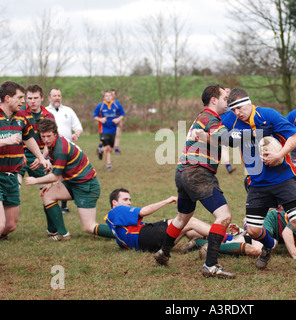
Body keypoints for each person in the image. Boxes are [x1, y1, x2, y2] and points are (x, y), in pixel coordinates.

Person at [222, 87, 296, 277]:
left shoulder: (268, 115)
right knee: (254, 231)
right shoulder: (232, 120)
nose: (237, 113)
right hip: (257, 183)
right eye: (233, 109)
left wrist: (279, 154)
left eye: (240, 108)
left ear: (249, 102)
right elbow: (213, 124)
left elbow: (295, 136)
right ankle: (269, 244)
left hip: (283, 179)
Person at [154, 84, 236, 279]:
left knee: (184, 217)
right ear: (214, 100)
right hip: (198, 174)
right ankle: (211, 266)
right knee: (224, 217)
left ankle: (163, 252)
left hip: (183, 172)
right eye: (225, 98)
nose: (228, 103)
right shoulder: (210, 118)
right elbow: (227, 140)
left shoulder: (201, 118)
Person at [24, 118, 114, 241]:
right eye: (43, 136)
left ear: (55, 133)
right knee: (47, 195)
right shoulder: (53, 143)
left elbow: (55, 176)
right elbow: (58, 170)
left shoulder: (60, 148)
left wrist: (36, 180)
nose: (45, 139)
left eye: (48, 136)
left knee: (89, 227)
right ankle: (62, 234)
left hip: (86, 186)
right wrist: (50, 185)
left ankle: (126, 234)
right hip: (73, 182)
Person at [106, 188, 237, 252]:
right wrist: (166, 200)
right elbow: (144, 211)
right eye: (125, 200)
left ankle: (203, 241)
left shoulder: (112, 222)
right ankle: (229, 239)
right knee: (188, 221)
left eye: (129, 199)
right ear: (114, 202)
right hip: (147, 237)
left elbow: (124, 242)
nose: (129, 203)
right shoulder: (116, 211)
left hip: (147, 245)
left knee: (188, 230)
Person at [0, 81, 49, 240]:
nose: (24, 101)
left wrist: (41, 157)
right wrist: (5, 141)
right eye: (20, 97)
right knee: (0, 224)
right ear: (8, 98)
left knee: (10, 226)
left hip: (12, 176)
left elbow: (29, 138)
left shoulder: (21, 117)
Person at [46, 87, 83, 214]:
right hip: (51, 150)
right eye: (54, 95)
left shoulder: (68, 110)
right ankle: (52, 203)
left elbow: (78, 127)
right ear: (49, 98)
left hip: (68, 150)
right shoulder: (45, 111)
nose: (57, 97)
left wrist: (76, 134)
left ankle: (63, 205)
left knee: (65, 176)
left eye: (59, 95)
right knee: (54, 175)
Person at [93, 90, 125, 171]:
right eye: (106, 96)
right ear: (104, 97)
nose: (108, 97)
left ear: (112, 97)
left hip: (113, 130)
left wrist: (118, 119)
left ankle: (100, 150)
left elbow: (122, 114)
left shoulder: (116, 105)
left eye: (109, 96)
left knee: (110, 149)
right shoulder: (100, 106)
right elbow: (95, 116)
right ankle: (108, 165)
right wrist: (101, 119)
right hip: (103, 130)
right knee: (107, 147)